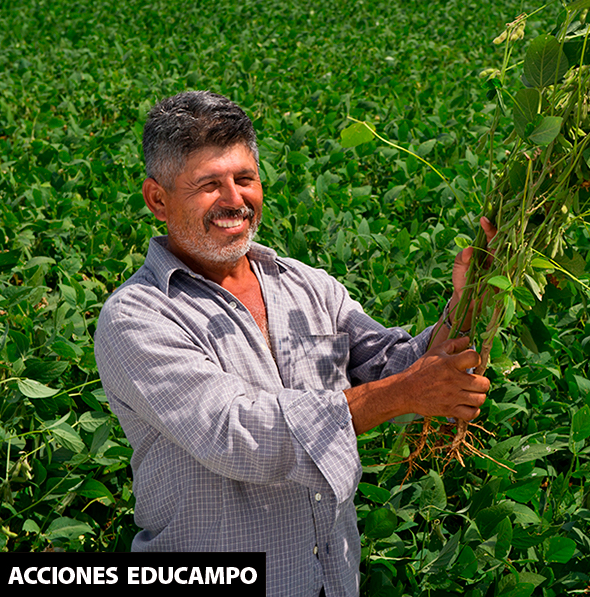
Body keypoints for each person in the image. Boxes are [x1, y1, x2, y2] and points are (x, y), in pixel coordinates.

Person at [93, 90, 494, 597]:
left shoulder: (306, 285)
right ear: (157, 199)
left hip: (331, 580)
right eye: (209, 185)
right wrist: (404, 393)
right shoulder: (138, 317)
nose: (234, 200)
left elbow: (395, 366)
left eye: (244, 179)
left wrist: (472, 298)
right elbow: (238, 432)